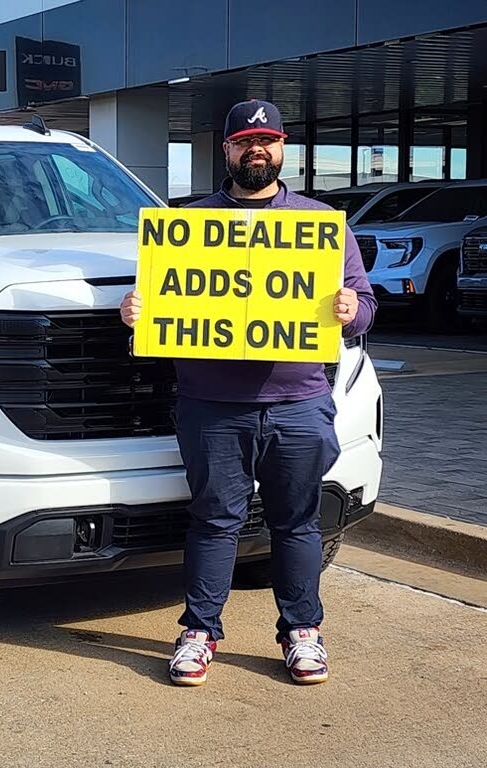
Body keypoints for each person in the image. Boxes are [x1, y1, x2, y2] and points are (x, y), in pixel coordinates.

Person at [120, 100, 376, 686]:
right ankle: (199, 632)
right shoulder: (186, 226)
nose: (256, 149)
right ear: (228, 149)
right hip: (211, 404)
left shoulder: (321, 224)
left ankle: (302, 633)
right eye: (244, 141)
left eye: (267, 139)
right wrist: (134, 310)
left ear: (282, 147)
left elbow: (365, 310)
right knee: (214, 521)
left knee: (299, 524)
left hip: (299, 403)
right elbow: (159, 300)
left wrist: (350, 309)